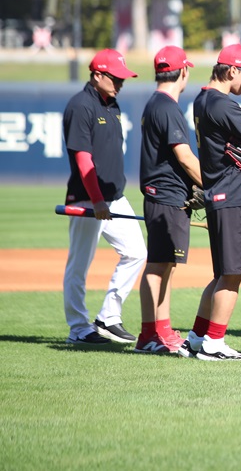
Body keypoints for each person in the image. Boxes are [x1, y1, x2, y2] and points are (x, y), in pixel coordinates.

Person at [182, 44, 241, 361]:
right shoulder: (220, 103)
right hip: (236, 196)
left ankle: (196, 337)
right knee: (233, 275)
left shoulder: (204, 99)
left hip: (221, 193)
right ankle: (214, 344)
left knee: (222, 273)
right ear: (233, 70)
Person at [62, 49, 147, 345]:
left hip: (114, 196)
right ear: (97, 75)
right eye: (115, 78)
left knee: (137, 252)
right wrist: (96, 200)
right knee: (79, 264)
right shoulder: (80, 106)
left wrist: (107, 198)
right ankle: (78, 328)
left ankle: (108, 317)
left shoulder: (112, 104)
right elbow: (84, 160)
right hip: (88, 198)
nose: (120, 83)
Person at [135, 46, 202, 354]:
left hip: (167, 193)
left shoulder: (155, 104)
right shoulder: (167, 107)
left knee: (167, 264)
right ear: (184, 71)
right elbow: (185, 157)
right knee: (158, 265)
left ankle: (162, 329)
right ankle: (148, 335)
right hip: (165, 194)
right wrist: (211, 185)